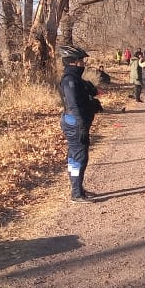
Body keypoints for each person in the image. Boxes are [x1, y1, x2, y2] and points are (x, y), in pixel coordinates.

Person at [58, 45, 103, 202]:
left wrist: (92, 101)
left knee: (74, 156)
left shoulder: (75, 79)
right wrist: (82, 125)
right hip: (74, 122)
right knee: (79, 157)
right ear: (74, 62)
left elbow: (82, 98)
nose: (84, 63)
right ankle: (76, 193)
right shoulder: (70, 80)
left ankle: (77, 188)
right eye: (81, 60)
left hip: (74, 121)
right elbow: (74, 105)